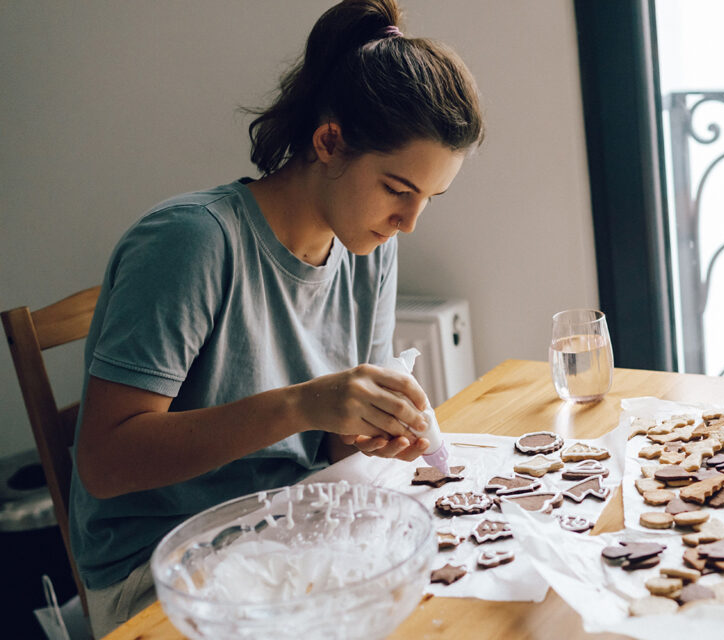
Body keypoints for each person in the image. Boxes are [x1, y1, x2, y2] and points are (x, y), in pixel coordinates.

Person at [68, 0, 484, 635]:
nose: (410, 221)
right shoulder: (193, 243)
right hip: (163, 573)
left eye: (430, 198)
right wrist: (302, 405)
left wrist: (363, 426)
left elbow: (329, 437)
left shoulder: (369, 247)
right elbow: (104, 460)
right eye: (399, 190)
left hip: (293, 524)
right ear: (328, 141)